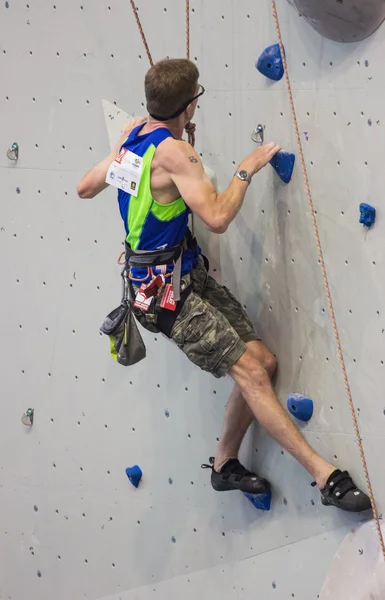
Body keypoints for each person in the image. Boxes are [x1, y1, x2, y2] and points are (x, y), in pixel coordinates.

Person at [77, 58, 371, 513]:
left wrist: (119, 152)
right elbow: (215, 217)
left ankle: (224, 464)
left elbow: (84, 187)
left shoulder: (135, 139)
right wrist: (245, 169)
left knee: (264, 363)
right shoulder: (175, 153)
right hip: (166, 295)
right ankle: (324, 475)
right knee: (251, 372)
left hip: (177, 276)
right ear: (190, 105)